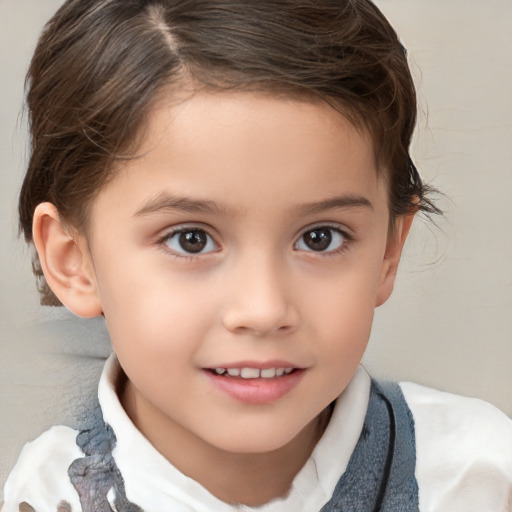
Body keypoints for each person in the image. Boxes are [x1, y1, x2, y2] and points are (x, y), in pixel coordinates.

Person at [2, 0, 512, 511]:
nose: (264, 310)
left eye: (320, 238)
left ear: (387, 251)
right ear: (74, 261)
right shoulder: (46, 496)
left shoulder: (479, 477)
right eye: (191, 240)